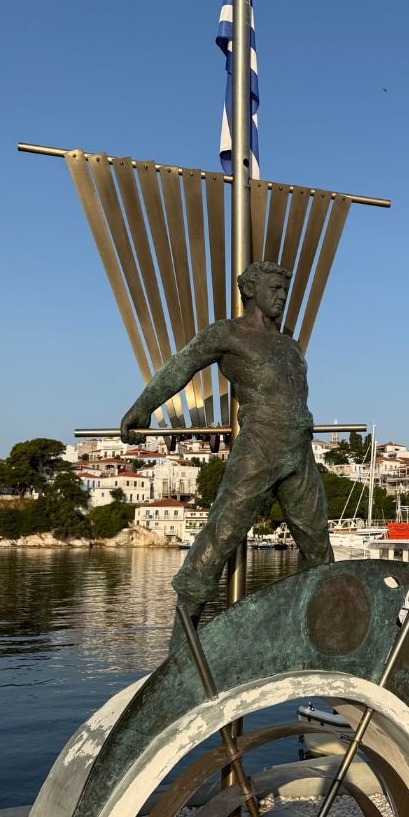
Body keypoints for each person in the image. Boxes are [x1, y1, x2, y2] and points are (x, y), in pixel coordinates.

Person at [120, 260, 334, 626]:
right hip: (259, 444)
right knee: (223, 533)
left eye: (286, 290)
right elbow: (180, 366)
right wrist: (142, 408)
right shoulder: (228, 334)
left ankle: (320, 627)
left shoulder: (289, 344)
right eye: (275, 289)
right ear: (250, 290)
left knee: (317, 543)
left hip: (299, 446)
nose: (282, 296)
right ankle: (184, 631)